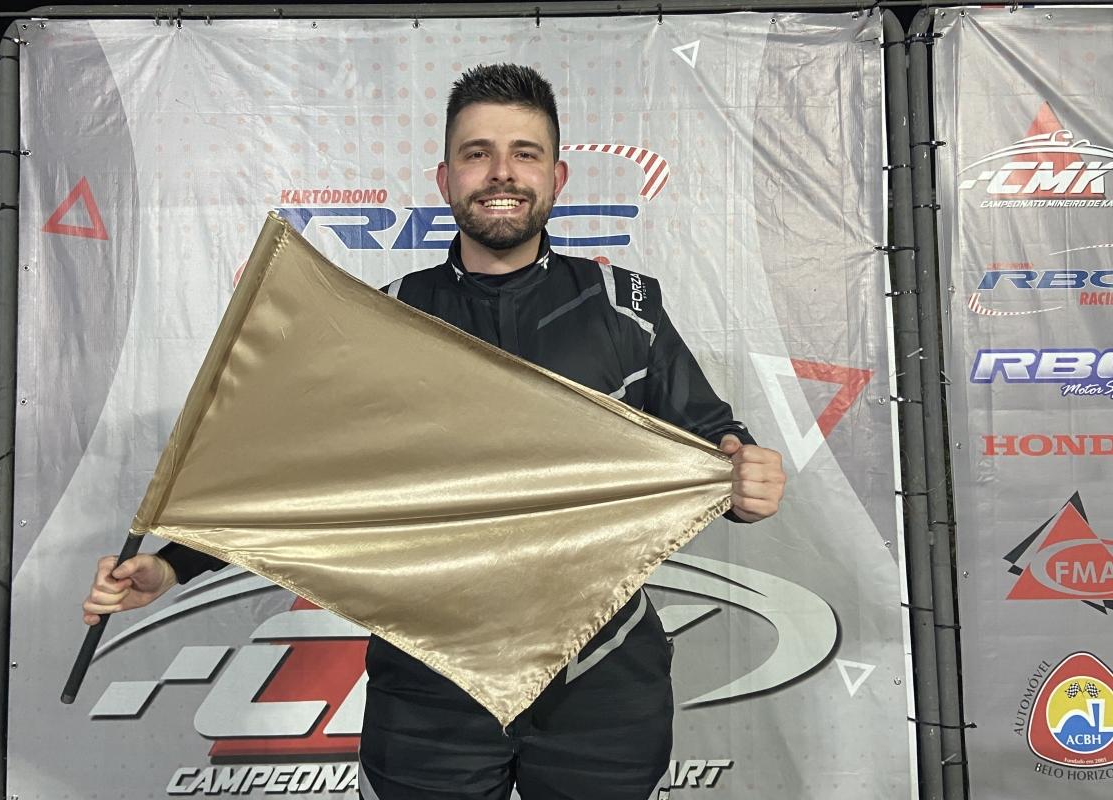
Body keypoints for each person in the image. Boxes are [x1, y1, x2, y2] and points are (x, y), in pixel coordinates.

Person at [83, 64, 786, 800]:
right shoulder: (384, 320)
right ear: (446, 179)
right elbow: (295, 480)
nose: (501, 172)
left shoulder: (627, 306)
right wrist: (170, 566)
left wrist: (746, 478)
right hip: (429, 688)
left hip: (602, 682)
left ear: (557, 177)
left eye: (524, 153)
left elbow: (715, 442)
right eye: (478, 153)